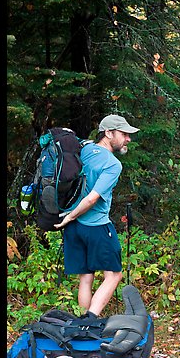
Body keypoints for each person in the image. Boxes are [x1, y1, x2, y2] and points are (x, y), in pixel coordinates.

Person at [54, 114, 140, 320]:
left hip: (73, 228)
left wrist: (69, 218)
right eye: (124, 134)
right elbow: (92, 199)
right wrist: (71, 216)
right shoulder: (112, 164)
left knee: (86, 276)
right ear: (108, 133)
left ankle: (82, 326)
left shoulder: (82, 150)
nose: (128, 139)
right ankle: (89, 321)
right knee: (114, 275)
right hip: (96, 226)